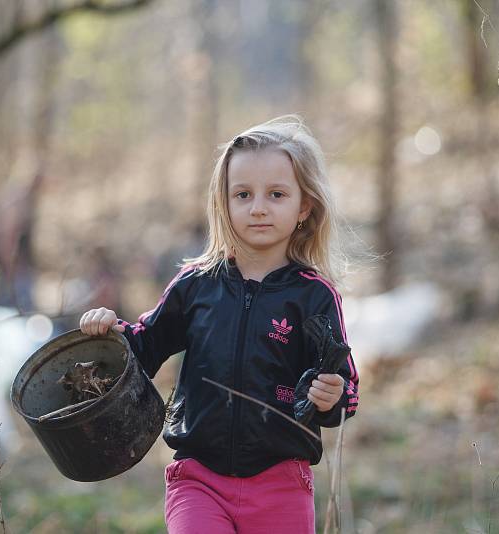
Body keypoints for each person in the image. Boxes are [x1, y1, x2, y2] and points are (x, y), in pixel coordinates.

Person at [79, 116, 359, 533]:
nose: (258, 207)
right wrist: (111, 333)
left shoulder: (314, 296)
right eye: (243, 194)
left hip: (281, 482)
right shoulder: (196, 285)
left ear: (304, 207)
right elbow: (144, 348)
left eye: (276, 194)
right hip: (198, 480)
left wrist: (331, 396)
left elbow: (345, 391)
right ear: (223, 203)